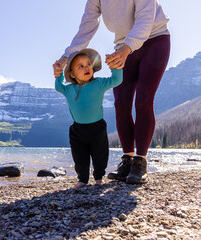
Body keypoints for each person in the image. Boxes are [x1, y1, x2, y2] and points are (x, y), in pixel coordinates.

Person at [53, 0, 170, 184]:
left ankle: (140, 161)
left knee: (143, 99)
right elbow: (87, 28)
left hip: (154, 39)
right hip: (122, 46)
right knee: (121, 103)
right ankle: (127, 160)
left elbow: (145, 19)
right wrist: (65, 58)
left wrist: (127, 48)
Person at [55, 48, 122, 188]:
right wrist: (58, 73)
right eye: (81, 66)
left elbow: (117, 80)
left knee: (100, 155)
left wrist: (115, 67)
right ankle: (82, 179)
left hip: (97, 127)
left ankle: (98, 178)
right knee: (80, 157)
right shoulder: (68, 89)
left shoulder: (99, 83)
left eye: (88, 64)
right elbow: (58, 86)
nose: (86, 67)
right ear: (72, 74)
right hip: (77, 130)